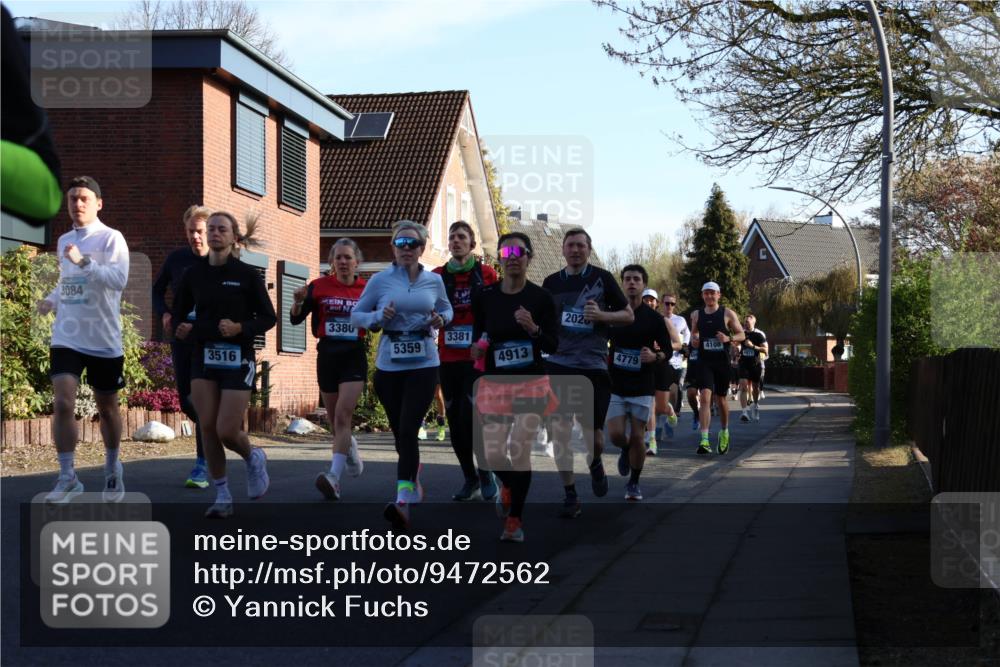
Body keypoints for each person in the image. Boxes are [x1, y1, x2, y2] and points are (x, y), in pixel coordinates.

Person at [172, 211, 276, 518]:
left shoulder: (246, 275)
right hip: (203, 355)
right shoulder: (193, 274)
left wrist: (240, 328)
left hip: (237, 357)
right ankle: (222, 495)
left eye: (222, 229)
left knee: (227, 430)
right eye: (212, 228)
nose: (215, 233)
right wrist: (180, 327)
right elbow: (178, 313)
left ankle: (253, 456)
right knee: (207, 427)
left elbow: (268, 317)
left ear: (234, 238)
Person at [351, 221, 452, 530]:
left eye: (412, 244)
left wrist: (440, 318)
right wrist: (378, 317)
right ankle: (412, 472)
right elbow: (357, 315)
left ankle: (403, 500)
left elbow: (447, 310)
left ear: (422, 248)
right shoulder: (380, 280)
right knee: (400, 434)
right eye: (400, 243)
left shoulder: (434, 281)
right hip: (389, 366)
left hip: (424, 363)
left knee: (408, 430)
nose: (406, 248)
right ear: (393, 248)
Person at [40, 177, 130, 503]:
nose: (77, 204)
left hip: (103, 337)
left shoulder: (111, 238)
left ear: (98, 203)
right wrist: (51, 299)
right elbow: (67, 282)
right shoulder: (64, 239)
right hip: (67, 335)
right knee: (63, 402)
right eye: (73, 199)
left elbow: (117, 280)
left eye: (84, 199)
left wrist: (84, 262)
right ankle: (67, 477)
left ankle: (112, 467)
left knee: (108, 408)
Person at [471, 232, 559, 542]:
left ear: (529, 257)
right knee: (493, 454)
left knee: (519, 448)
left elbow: (553, 344)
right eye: (506, 252)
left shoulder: (541, 298)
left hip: (531, 383)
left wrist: (533, 328)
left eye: (518, 252)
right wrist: (477, 348)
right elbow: (480, 335)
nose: (511, 258)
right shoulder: (485, 296)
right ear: (499, 257)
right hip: (496, 383)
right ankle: (508, 484)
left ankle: (514, 520)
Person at [542, 228, 632, 518]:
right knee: (560, 433)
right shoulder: (551, 282)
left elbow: (628, 315)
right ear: (563, 250)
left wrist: (603, 316)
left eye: (581, 245)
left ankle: (595, 463)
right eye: (570, 245)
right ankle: (570, 494)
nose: (575, 250)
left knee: (594, 437)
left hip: (592, 366)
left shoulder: (602, 278)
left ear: (589, 250)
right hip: (558, 364)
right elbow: (544, 321)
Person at [290, 238, 368, 500]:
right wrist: (297, 302)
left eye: (348, 257)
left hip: (353, 356)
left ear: (357, 262)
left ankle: (333, 477)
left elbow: (376, 324)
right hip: (327, 356)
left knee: (343, 416)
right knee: (336, 423)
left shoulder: (366, 289)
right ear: (332, 262)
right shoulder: (318, 286)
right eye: (338, 257)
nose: (343, 262)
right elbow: (295, 318)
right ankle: (350, 446)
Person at [433, 220, 500, 501]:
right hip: (448, 357)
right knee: (455, 423)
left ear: (472, 244)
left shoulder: (487, 274)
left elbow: (497, 311)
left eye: (461, 237)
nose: (456, 241)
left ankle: (485, 471)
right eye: (452, 237)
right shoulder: (437, 276)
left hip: (477, 358)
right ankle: (469, 478)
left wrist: (485, 342)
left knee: (471, 417)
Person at [607, 267, 679, 501]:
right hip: (616, 383)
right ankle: (625, 449)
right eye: (627, 279)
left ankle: (634, 483)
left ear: (643, 284)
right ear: (622, 283)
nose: (631, 283)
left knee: (638, 437)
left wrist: (655, 356)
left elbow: (668, 351)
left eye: (636, 279)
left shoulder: (654, 319)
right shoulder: (613, 313)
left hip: (642, 384)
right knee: (616, 435)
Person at [152, 205, 211, 488]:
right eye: (191, 231)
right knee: (186, 400)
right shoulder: (177, 259)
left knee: (199, 400)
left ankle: (202, 464)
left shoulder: (219, 260)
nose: (195, 237)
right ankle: (211, 430)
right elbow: (156, 290)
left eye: (200, 231)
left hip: (208, 340)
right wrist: (164, 313)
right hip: (180, 337)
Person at [690, 282, 745, 455]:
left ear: (718, 295)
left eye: (712, 293)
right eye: (706, 293)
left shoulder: (727, 313)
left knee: (720, 399)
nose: (709, 296)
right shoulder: (696, 314)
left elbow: (741, 334)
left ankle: (724, 432)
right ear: (702, 295)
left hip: (722, 362)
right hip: (705, 361)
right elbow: (694, 334)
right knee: (705, 397)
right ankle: (704, 440)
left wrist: (728, 338)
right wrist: (694, 340)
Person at [738, 313, 768, 423]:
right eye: (744, 322)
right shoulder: (742, 334)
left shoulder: (759, 335)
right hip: (743, 364)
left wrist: (753, 346)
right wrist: (735, 350)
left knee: (755, 388)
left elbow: (765, 350)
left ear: (753, 322)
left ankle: (755, 405)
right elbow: (736, 345)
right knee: (743, 387)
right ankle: (744, 412)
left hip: (755, 364)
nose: (745, 323)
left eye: (747, 322)